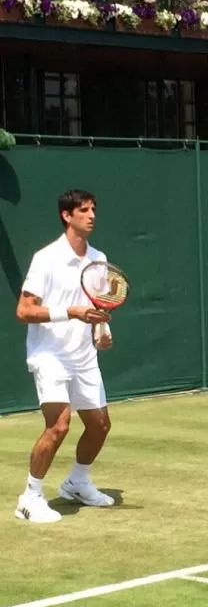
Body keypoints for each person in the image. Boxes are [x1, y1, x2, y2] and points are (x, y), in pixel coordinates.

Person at [13, 190, 116, 524]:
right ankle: (29, 496)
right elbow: (24, 310)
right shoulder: (46, 258)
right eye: (83, 210)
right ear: (66, 216)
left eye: (94, 210)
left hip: (84, 355)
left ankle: (77, 482)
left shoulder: (98, 259)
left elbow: (98, 308)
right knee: (59, 425)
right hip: (50, 354)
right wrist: (70, 312)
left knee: (100, 425)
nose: (92, 215)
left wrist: (102, 331)